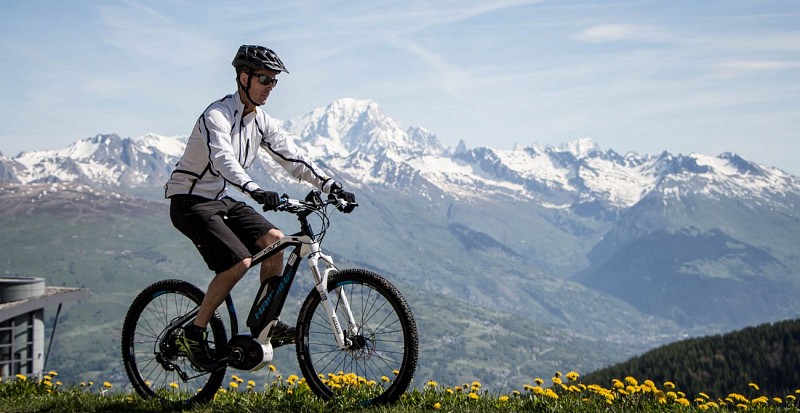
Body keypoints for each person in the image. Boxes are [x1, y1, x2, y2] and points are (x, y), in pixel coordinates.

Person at [164, 44, 355, 371]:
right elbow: (222, 158)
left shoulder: (261, 121)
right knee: (239, 262)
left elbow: (293, 158)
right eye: (265, 79)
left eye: (274, 81)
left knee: (276, 241)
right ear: (244, 77)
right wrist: (254, 189)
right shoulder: (217, 115)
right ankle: (193, 334)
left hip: (221, 199)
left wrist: (329, 185)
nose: (270, 87)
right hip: (190, 201)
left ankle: (263, 325)